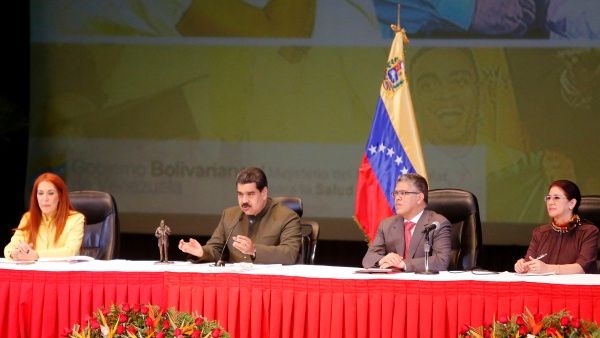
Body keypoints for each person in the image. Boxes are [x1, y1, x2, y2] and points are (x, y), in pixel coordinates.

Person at [178, 167, 302, 265]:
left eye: (250, 194)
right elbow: (216, 249)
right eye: (240, 194)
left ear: (264, 193)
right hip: (234, 285)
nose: (244, 201)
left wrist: (254, 250)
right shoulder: (229, 215)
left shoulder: (287, 217)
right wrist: (201, 252)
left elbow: (290, 254)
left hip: (269, 285)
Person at [362, 173, 451, 272]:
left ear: (419, 198)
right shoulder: (387, 225)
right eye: (395, 193)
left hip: (423, 284)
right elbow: (368, 258)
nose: (397, 198)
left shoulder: (438, 224)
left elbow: (441, 261)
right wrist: (382, 259)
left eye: (403, 193)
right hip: (393, 284)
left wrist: (404, 264)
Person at [514, 180, 598, 274]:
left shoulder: (589, 231)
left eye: (556, 198)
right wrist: (523, 265)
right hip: (545, 287)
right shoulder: (540, 233)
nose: (550, 202)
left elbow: (581, 268)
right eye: (548, 198)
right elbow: (529, 262)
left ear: (572, 203)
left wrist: (546, 269)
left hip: (578, 287)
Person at [3, 172, 85, 261]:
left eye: (50, 193)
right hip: (34, 272)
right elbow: (11, 247)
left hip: (62, 272)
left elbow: (70, 251)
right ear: (36, 197)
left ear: (60, 196)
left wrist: (36, 255)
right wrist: (14, 254)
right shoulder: (28, 218)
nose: (45, 199)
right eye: (40, 193)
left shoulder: (76, 219)